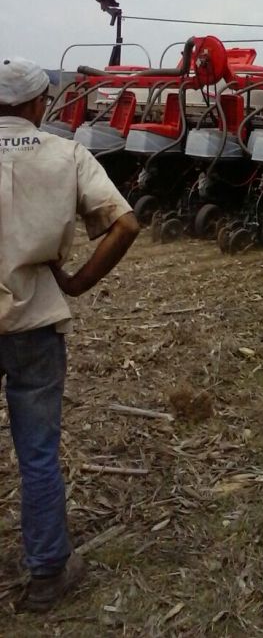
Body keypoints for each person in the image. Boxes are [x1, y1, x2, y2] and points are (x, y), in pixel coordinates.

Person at [0, 57, 140, 612]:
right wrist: (79, 282)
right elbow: (125, 223)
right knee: (36, 453)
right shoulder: (66, 154)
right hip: (34, 322)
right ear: (39, 106)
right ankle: (47, 574)